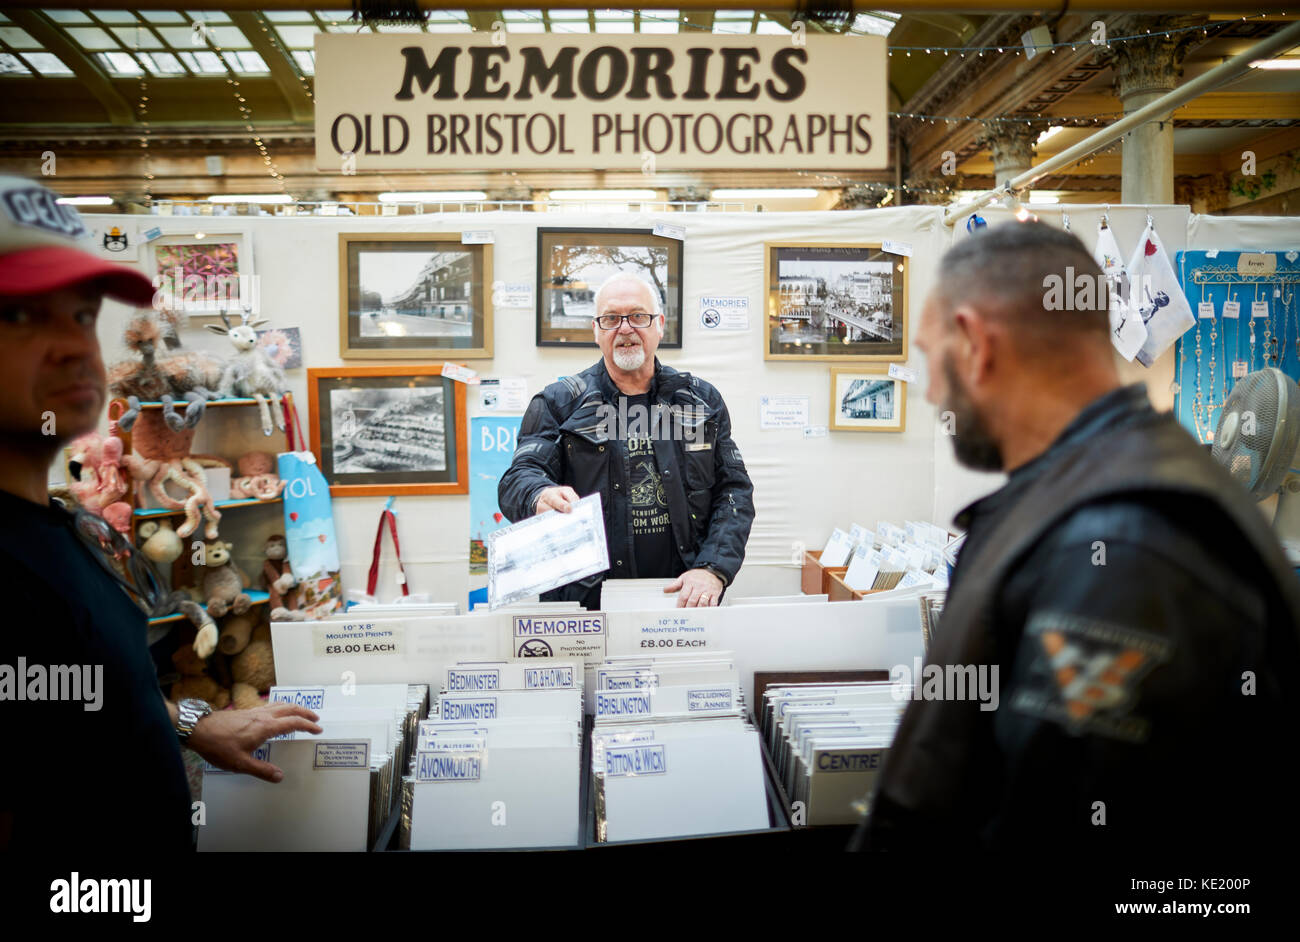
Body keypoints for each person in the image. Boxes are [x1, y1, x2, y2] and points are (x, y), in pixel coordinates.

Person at [859, 221, 1300, 852]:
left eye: (932, 360)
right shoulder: (1094, 496)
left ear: (978, 345)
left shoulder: (1120, 548)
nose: (930, 390)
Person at [0, 175, 321, 852]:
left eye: (82, 314)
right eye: (21, 315)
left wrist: (190, 726)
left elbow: (79, 693)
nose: (71, 344)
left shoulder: (67, 530)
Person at [499, 271, 754, 608]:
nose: (624, 328)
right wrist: (538, 493)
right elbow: (518, 477)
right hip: (586, 601)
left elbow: (733, 491)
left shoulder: (700, 401)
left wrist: (712, 569)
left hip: (683, 595)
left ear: (659, 325)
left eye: (637, 316)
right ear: (596, 330)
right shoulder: (557, 403)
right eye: (611, 318)